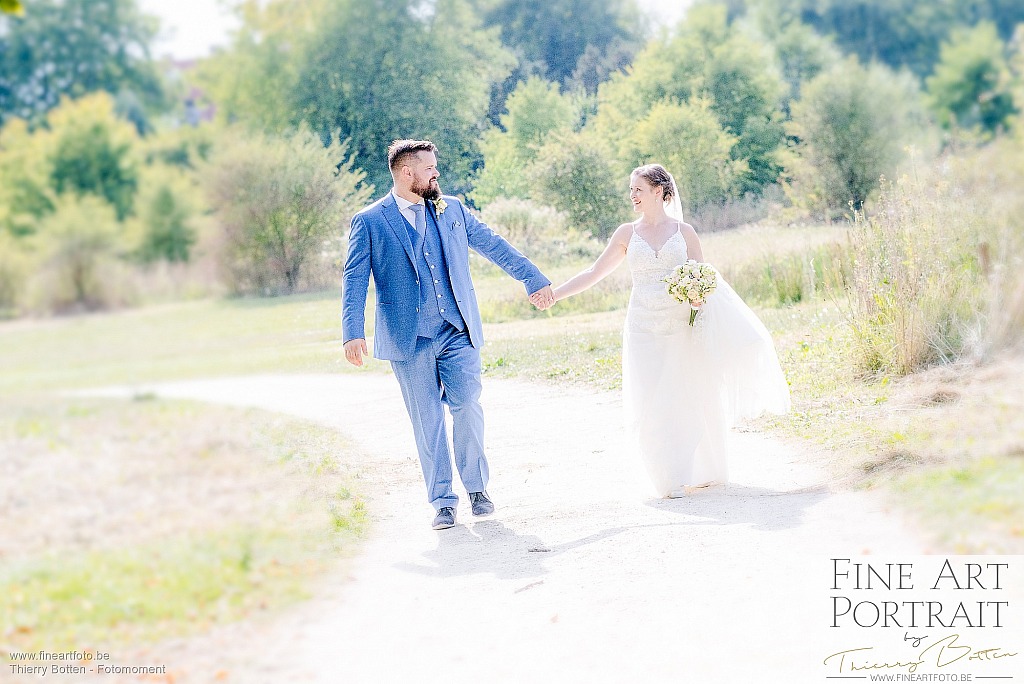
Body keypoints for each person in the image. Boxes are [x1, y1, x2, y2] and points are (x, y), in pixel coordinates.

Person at [342, 139, 555, 530]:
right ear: (407, 173)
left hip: (457, 330)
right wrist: (351, 331)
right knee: (428, 421)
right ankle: (442, 500)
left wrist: (533, 278)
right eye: (429, 168)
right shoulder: (370, 220)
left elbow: (493, 246)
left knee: (468, 405)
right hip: (409, 339)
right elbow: (355, 277)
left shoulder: (452, 208)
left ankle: (477, 489)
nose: (436, 173)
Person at [548, 164, 790, 497]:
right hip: (643, 328)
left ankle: (697, 470)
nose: (632, 195)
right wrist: (554, 294)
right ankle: (667, 477)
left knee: (686, 396)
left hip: (680, 327)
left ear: (660, 191)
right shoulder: (626, 234)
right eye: (631, 189)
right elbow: (594, 272)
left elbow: (704, 280)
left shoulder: (685, 232)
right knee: (651, 401)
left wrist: (696, 299)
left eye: (639, 189)